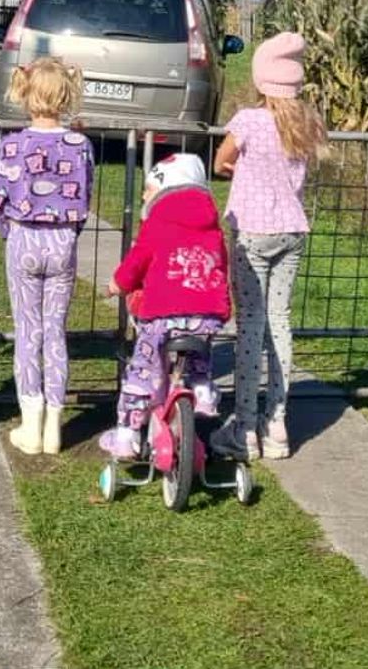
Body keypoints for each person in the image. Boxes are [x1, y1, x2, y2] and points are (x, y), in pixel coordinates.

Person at [210, 32, 324, 462]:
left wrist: (243, 170)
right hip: (292, 230)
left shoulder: (248, 121)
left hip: (253, 231)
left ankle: (243, 425)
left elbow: (221, 161)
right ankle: (277, 422)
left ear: (262, 80)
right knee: (280, 321)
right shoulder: (307, 122)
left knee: (251, 327)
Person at [0, 57, 93, 456]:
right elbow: (84, 198)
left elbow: (0, 198)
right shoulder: (80, 145)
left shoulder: (12, 145)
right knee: (55, 332)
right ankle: (54, 424)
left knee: (27, 332)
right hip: (62, 241)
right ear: (66, 95)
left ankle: (30, 424)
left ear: (25, 93)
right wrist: (69, 232)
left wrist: (10, 231)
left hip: (23, 239)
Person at [100, 153, 231, 459]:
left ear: (163, 187)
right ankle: (202, 393)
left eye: (147, 188)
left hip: (162, 315)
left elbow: (137, 261)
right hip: (205, 316)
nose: (144, 194)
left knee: (142, 372)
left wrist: (116, 285)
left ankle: (127, 435)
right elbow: (220, 266)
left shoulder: (156, 222)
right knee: (199, 356)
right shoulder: (212, 226)